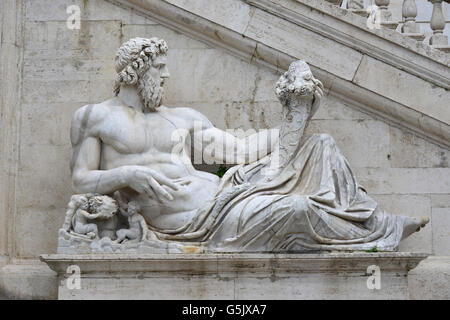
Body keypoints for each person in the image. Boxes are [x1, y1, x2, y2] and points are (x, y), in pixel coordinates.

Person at [69, 37, 428, 252]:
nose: (166, 75)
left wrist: (295, 114)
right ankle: (377, 235)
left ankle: (377, 223)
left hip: (227, 193)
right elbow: (82, 178)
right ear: (138, 70)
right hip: (193, 221)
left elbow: (240, 151)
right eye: (160, 67)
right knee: (299, 210)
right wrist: (127, 173)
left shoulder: (181, 117)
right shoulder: (95, 117)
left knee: (320, 145)